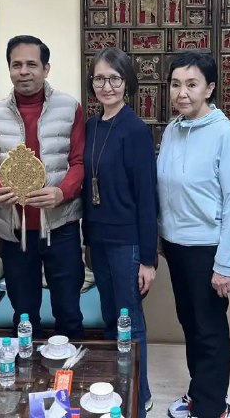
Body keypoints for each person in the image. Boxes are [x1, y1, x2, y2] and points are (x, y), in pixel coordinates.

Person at [0, 35, 85, 338]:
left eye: (31, 64)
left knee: (68, 310)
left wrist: (62, 192)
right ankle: (26, 366)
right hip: (14, 231)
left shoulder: (70, 107)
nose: (23, 71)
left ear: (46, 68)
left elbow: (78, 162)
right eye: (16, 65)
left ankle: (68, 365)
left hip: (61, 226)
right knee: (24, 314)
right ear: (9, 69)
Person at [158, 51, 230, 418]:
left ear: (209, 88)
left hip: (207, 248)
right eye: (176, 84)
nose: (182, 93)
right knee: (191, 325)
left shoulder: (224, 134)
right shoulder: (173, 129)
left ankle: (211, 407)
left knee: (209, 331)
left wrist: (223, 264)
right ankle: (199, 393)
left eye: (191, 84)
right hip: (176, 246)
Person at [83, 48, 157, 418]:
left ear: (127, 83)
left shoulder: (136, 130)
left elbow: (147, 198)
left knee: (130, 322)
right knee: (110, 317)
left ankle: (138, 398)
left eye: (114, 78)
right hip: (98, 240)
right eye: (100, 78)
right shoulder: (90, 127)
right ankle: (119, 386)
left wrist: (148, 259)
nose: (107, 85)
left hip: (127, 243)